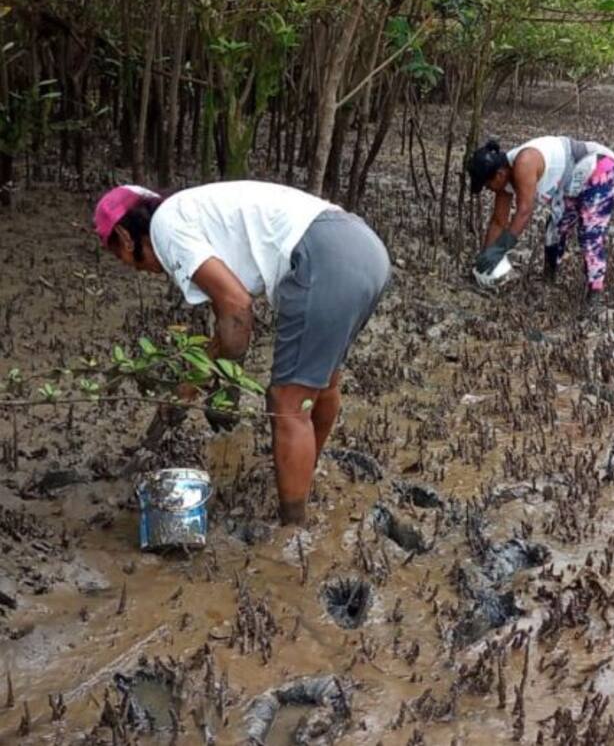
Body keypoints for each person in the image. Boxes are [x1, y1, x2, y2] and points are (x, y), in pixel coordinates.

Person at [93, 181, 391, 526]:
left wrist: (212, 389)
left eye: (120, 256)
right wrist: (196, 385)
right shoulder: (189, 211)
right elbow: (228, 322)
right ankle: (302, 472)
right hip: (364, 248)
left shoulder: (165, 227)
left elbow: (236, 309)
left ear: (125, 237)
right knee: (322, 384)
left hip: (324, 259)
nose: (133, 268)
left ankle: (292, 535)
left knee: (287, 405)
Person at [467, 135, 614, 307]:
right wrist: (486, 256)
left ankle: (595, 294)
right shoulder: (503, 178)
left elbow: (524, 211)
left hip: (597, 169)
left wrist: (500, 249)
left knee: (589, 235)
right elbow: (498, 221)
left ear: (499, 174)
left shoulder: (524, 163)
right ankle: (549, 278)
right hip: (570, 183)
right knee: (554, 230)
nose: (488, 189)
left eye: (487, 185)